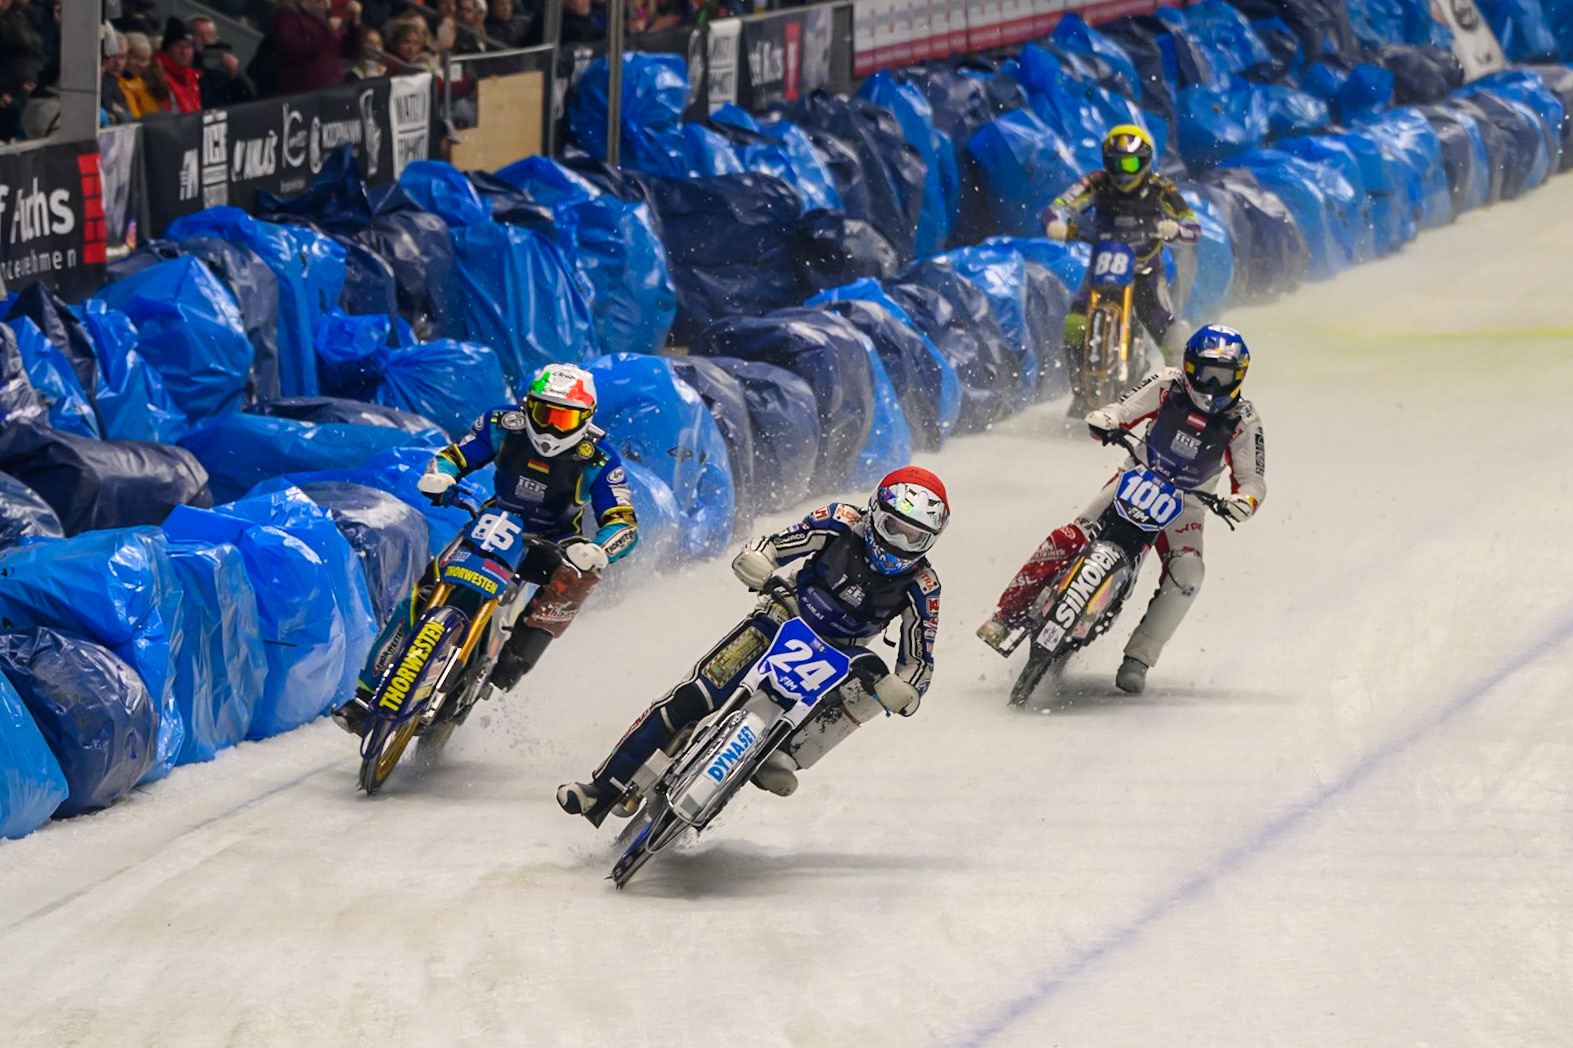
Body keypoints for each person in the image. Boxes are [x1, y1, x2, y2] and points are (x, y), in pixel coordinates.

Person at [557, 467, 948, 825]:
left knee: (871, 694)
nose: (901, 542)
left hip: (842, 655)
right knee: (692, 696)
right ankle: (602, 789)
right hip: (782, 617)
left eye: (915, 536)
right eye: (895, 526)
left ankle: (788, 755)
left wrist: (905, 687)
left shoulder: (924, 586)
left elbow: (919, 658)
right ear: (875, 513)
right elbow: (776, 545)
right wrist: (757, 559)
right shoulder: (841, 521)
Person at [333, 364, 639, 735]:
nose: (551, 427)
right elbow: (456, 455)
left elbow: (623, 520)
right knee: (427, 586)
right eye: (544, 413)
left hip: (556, 543)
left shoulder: (600, 457)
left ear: (586, 418)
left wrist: (599, 549)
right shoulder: (500, 423)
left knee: (579, 575)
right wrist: (441, 475)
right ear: (528, 407)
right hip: (497, 520)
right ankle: (366, 696)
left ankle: (518, 656)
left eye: (564, 418)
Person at [977, 325, 1265, 695]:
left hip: (1188, 504)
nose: (1212, 384)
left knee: (1189, 573)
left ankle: (1139, 659)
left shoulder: (1244, 420)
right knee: (1071, 534)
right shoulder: (1167, 384)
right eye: (1205, 372)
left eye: (1222, 376)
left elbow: (1253, 479)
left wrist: (1244, 502)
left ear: (1239, 377)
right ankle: (1006, 614)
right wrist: (1106, 419)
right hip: (1136, 476)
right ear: (1189, 367)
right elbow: (1123, 408)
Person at [1043, 124, 1201, 412]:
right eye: (1116, 164)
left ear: (1145, 162)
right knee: (1074, 323)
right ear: (1106, 162)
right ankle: (1080, 388)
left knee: (1171, 334)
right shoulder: (1095, 182)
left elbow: (1192, 226)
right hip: (1104, 263)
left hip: (1145, 268)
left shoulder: (1160, 187)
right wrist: (1056, 222)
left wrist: (1174, 228)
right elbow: (1059, 205)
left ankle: (1183, 401)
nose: (1124, 172)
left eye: (1130, 163)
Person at [266, 0, 363, 95]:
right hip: (301, 91)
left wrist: (355, 22)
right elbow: (292, 49)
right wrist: (325, 30)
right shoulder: (287, 14)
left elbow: (349, 51)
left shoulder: (327, 15)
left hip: (331, 91)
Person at [189, 15, 255, 107]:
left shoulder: (224, 63)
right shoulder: (188, 62)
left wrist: (236, 73)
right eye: (200, 35)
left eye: (210, 35)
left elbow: (251, 96)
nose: (206, 39)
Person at [150, 16, 201, 112]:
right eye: (179, 46)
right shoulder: (157, 75)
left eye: (188, 47)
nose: (184, 52)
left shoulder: (192, 76)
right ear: (167, 49)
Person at [116, 31, 159, 117]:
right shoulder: (117, 84)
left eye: (147, 59)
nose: (144, 65)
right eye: (139, 59)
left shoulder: (146, 82)